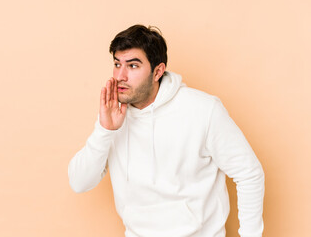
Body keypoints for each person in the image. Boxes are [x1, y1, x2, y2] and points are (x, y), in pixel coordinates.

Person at [68, 24, 264, 237]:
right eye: (117, 64)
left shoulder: (203, 110)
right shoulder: (113, 117)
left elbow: (249, 173)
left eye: (133, 66)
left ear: (158, 71)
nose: (120, 76)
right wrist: (105, 130)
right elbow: (79, 183)